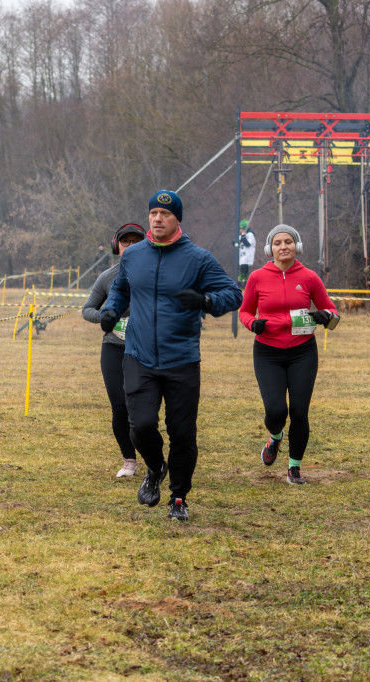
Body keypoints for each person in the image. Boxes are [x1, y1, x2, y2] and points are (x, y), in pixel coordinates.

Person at [100, 191, 243, 521]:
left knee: (182, 433)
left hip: (181, 359)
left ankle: (179, 497)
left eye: (165, 213)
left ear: (178, 218)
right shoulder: (133, 256)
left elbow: (233, 294)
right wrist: (110, 310)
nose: (157, 218)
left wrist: (205, 301)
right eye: (153, 213)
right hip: (138, 355)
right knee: (140, 426)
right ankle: (154, 466)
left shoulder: (198, 258)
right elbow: (121, 288)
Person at [238, 224, 339, 485]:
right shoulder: (257, 277)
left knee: (299, 411)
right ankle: (276, 437)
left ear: (297, 246)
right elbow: (245, 312)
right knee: (275, 411)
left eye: (288, 242)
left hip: (302, 352)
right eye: (278, 243)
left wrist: (324, 316)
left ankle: (294, 468)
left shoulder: (310, 277)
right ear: (269, 249)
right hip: (268, 352)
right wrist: (253, 324)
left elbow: (332, 312)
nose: (283, 247)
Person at [82, 224, 146, 478]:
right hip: (113, 348)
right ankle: (129, 459)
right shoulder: (107, 277)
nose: (130, 245)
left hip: (145, 350)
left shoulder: (155, 274)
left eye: (136, 241)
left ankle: (153, 455)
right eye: (125, 241)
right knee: (119, 406)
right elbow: (87, 309)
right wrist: (105, 316)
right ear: (116, 245)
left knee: (141, 409)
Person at [235, 219, 256, 288]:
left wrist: (243, 237)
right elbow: (235, 243)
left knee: (244, 270)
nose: (240, 230)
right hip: (242, 256)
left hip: (247, 256)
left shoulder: (250, 234)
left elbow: (247, 244)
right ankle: (241, 282)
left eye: (241, 229)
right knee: (241, 269)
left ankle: (244, 282)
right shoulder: (241, 235)